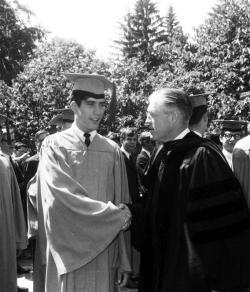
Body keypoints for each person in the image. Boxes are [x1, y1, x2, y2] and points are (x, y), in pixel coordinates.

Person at [128, 88, 250, 292]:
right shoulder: (160, 153)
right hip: (158, 266)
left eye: (151, 115)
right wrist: (128, 212)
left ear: (173, 116)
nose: (146, 121)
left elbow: (219, 224)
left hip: (188, 275)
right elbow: (152, 206)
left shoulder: (202, 156)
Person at [28, 73, 132, 292]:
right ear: (74, 106)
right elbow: (59, 199)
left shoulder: (112, 150)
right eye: (91, 104)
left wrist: (124, 259)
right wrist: (113, 216)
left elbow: (123, 202)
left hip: (105, 252)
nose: (98, 112)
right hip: (66, 251)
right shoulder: (53, 145)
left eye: (102, 105)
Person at [0, 114, 27, 292]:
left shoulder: (5, 163)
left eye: (12, 140)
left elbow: (14, 202)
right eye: (6, 140)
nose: (11, 144)